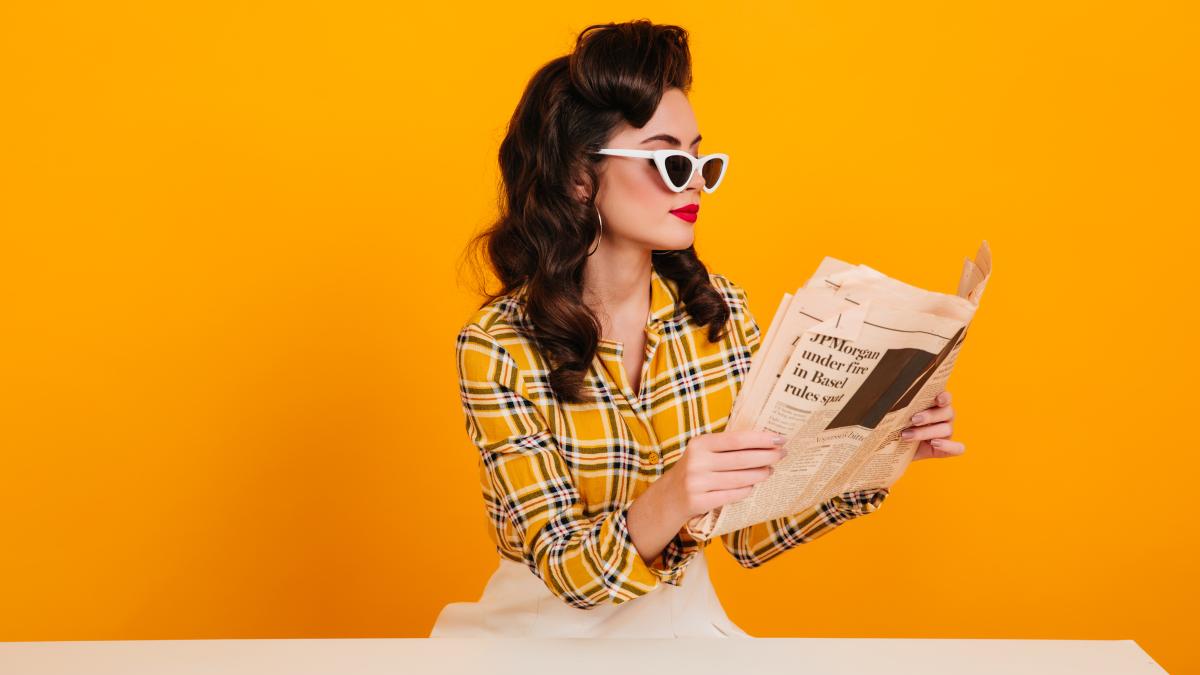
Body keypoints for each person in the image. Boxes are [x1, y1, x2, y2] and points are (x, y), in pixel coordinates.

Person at [431, 20, 963, 639]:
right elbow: (567, 571)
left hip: (681, 627)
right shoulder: (499, 346)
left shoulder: (718, 313)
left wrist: (877, 451)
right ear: (579, 177)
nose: (694, 181)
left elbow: (750, 535)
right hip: (538, 636)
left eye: (700, 159)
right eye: (669, 160)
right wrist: (675, 494)